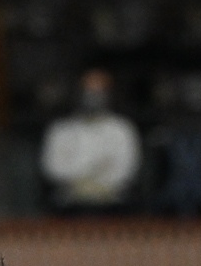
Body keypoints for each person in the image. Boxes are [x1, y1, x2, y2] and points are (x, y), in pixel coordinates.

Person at [39, 69, 141, 212]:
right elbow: (53, 168)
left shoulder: (122, 129)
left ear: (109, 94)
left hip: (113, 205)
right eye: (88, 91)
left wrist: (99, 184)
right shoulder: (61, 130)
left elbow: (126, 169)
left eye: (99, 91)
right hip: (69, 205)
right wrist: (93, 171)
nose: (93, 97)